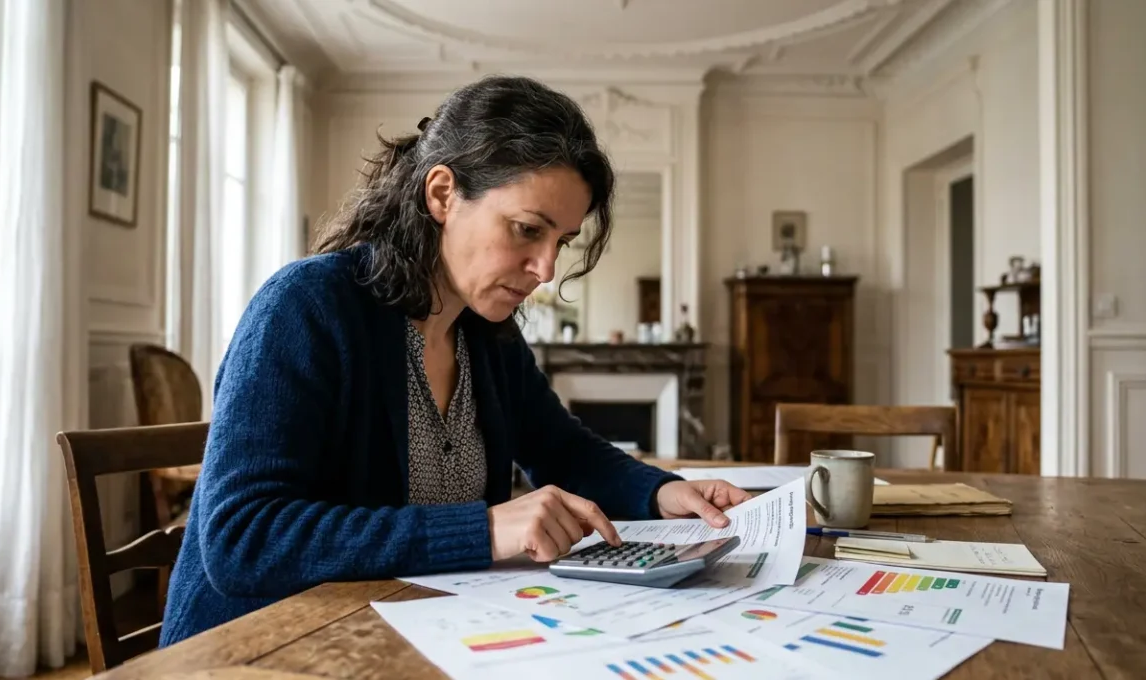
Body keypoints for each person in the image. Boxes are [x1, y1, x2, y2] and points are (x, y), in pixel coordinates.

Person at [158, 75, 750, 647]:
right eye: (526, 230)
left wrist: (663, 493)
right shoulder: (305, 307)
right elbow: (244, 539)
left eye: (561, 243)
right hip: (264, 648)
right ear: (442, 194)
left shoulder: (487, 332)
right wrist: (486, 530)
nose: (546, 269)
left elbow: (561, 449)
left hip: (412, 629)